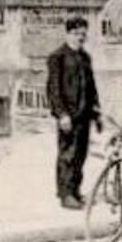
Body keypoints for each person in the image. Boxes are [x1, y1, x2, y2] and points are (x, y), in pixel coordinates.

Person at [46, 17, 100, 210]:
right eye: (76, 34)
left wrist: (97, 111)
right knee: (67, 154)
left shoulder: (85, 57)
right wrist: (61, 114)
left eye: (83, 34)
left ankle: (76, 191)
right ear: (67, 33)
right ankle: (65, 194)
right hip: (68, 116)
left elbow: (92, 87)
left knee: (80, 154)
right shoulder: (57, 57)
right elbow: (53, 89)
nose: (80, 37)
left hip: (85, 114)